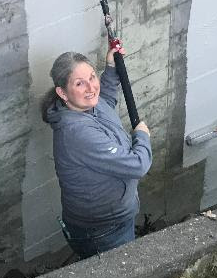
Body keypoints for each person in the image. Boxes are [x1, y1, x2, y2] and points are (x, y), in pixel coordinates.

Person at [42, 42, 152, 258]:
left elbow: (106, 102)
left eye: (92, 77)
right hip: (103, 231)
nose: (91, 87)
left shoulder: (88, 104)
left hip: (115, 220)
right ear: (62, 92)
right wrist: (142, 135)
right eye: (80, 83)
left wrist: (110, 69)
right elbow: (138, 165)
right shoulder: (76, 133)